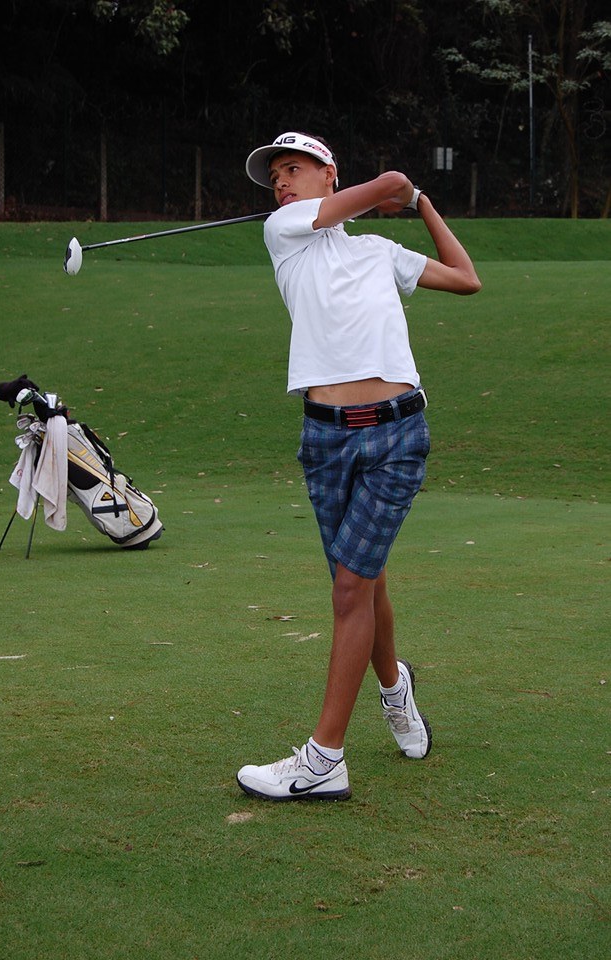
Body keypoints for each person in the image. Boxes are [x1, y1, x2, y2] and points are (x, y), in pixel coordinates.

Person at [237, 131, 481, 801]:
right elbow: (386, 184)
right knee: (362, 584)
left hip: (397, 435)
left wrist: (421, 202)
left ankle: (324, 760)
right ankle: (395, 689)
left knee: (350, 588)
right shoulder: (284, 232)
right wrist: (396, 189)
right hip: (324, 441)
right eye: (275, 175)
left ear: (328, 174)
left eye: (294, 169)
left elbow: (465, 278)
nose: (281, 182)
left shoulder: (378, 251)